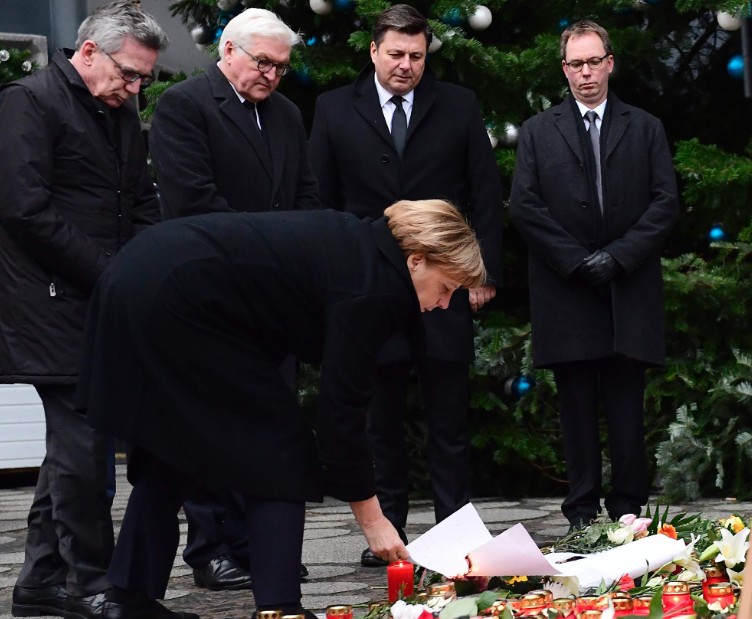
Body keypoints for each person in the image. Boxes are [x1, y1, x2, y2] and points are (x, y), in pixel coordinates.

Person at [78, 200, 486, 619]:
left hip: (142, 276)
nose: (443, 303)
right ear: (416, 261)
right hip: (179, 299)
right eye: (446, 288)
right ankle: (279, 610)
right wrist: (374, 520)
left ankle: (127, 601)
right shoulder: (374, 287)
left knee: (173, 454)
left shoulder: (363, 248)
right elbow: (341, 411)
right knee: (282, 453)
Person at [309, 3, 503, 566]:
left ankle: (455, 531)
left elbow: (484, 193)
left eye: (416, 56)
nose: (406, 65)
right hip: (368, 288)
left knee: (449, 418)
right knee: (379, 419)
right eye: (395, 54)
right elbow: (321, 198)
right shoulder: (333, 109)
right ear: (373, 51)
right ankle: (387, 532)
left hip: (442, 289)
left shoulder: (459, 105)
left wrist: (482, 273)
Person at [0, 2, 166, 618]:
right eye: (127, 73)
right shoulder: (29, 101)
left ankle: (41, 581)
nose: (134, 88)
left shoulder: (119, 109)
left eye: (142, 78)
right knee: (85, 446)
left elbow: (138, 200)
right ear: (88, 51)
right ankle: (90, 584)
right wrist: (112, 273)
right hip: (46, 302)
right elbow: (24, 209)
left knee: (74, 446)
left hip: (99, 297)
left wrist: (154, 266)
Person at [149, 6, 320, 591]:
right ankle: (212, 546)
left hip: (273, 297)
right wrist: (266, 254)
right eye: (263, 63)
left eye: (281, 67)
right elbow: (192, 200)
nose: (272, 75)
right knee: (213, 425)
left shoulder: (289, 115)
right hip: (212, 291)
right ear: (227, 50)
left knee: (271, 421)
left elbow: (304, 195)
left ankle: (260, 543)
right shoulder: (185, 105)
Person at [508, 20, 679, 531]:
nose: (586, 73)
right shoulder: (540, 131)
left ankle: (628, 511)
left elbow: (665, 203)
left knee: (627, 411)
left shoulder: (644, 126)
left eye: (593, 61)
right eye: (575, 64)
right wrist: (576, 260)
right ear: (565, 69)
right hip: (567, 290)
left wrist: (619, 256)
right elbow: (524, 206)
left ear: (610, 63)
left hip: (628, 289)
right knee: (576, 410)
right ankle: (581, 515)